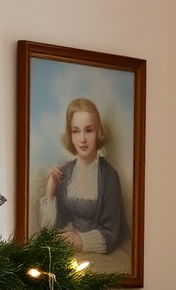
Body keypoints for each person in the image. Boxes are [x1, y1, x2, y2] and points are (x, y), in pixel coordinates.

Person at [39, 98, 129, 256]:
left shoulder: (110, 176)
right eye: (75, 131)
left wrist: (79, 241)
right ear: (69, 134)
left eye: (89, 130)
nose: (82, 139)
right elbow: (48, 230)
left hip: (101, 255)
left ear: (98, 132)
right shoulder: (65, 173)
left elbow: (112, 232)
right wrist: (50, 192)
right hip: (70, 255)